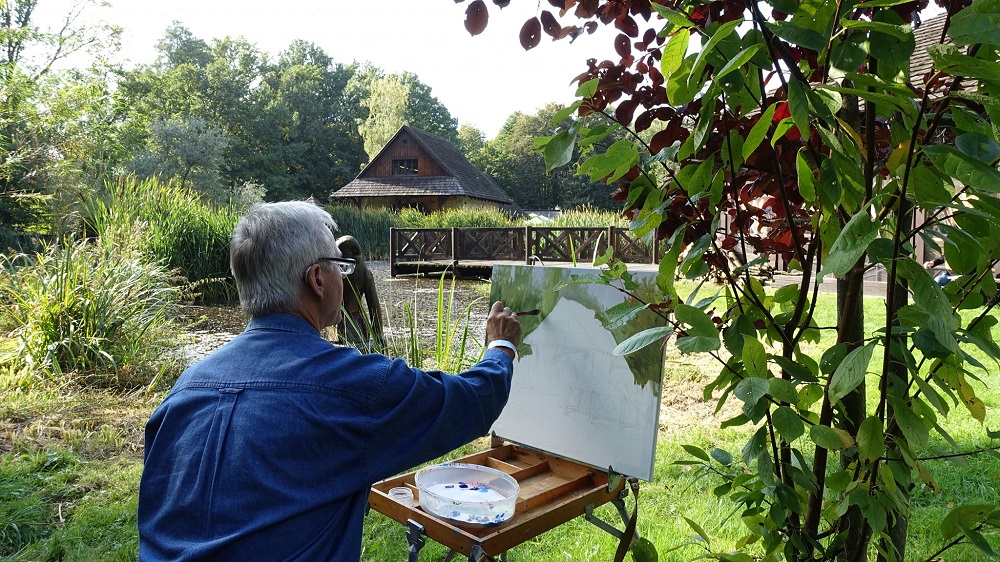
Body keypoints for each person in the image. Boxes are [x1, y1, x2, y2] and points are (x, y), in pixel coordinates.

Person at [137, 201, 522, 561]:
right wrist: (501, 344)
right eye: (341, 266)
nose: (345, 275)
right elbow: (472, 401)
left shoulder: (184, 388)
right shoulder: (356, 386)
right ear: (318, 279)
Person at [335, 234, 385, 352]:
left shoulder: (332, 271)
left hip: (336, 326)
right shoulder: (365, 273)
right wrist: (378, 335)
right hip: (357, 327)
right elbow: (374, 307)